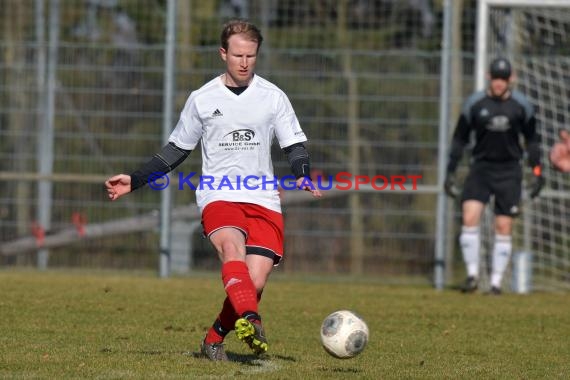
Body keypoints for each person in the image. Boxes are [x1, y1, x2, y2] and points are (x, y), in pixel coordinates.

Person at [105, 19, 322, 361]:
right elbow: (176, 150)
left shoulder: (273, 96)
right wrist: (135, 179)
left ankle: (214, 338)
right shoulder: (202, 99)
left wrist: (303, 173)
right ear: (223, 53)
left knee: (256, 281)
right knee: (232, 251)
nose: (244, 62)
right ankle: (252, 320)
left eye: (251, 55)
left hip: (263, 197)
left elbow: (294, 145)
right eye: (237, 55)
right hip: (219, 194)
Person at [444, 57, 544, 295]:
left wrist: (538, 172)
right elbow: (459, 139)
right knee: (469, 217)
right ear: (489, 77)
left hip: (510, 171)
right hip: (480, 168)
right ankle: (472, 276)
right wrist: (450, 171)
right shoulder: (474, 104)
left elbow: (532, 142)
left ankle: (496, 283)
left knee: (503, 225)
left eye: (503, 78)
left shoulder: (522, 106)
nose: (499, 83)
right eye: (496, 78)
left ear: (511, 79)